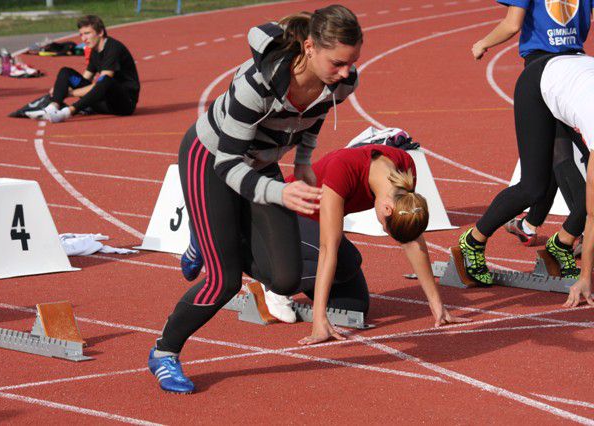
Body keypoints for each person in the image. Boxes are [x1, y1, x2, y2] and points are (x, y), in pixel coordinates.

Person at [148, 5, 362, 394]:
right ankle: (165, 352)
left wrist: (303, 161)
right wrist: (282, 191)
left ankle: (213, 238)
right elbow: (228, 165)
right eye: (339, 63)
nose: (346, 72)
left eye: (352, 63)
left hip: (260, 162)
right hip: (211, 157)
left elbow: (310, 120)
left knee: (284, 279)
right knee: (223, 280)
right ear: (310, 47)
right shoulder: (257, 83)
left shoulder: (342, 83)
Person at [290, 143, 468, 344]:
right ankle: (273, 283)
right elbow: (328, 247)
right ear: (387, 208)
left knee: (353, 305)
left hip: (314, 223)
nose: (383, 228)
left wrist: (437, 305)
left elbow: (412, 240)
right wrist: (319, 320)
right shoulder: (343, 169)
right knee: (320, 260)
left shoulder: (405, 172)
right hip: (283, 215)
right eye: (386, 227)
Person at [457, 51, 594, 308]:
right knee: (534, 188)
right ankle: (474, 240)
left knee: (585, 191)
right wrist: (586, 277)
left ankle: (561, 244)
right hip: (539, 85)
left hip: (572, 84)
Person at [470, 0, 592, 254]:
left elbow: (512, 24)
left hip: (541, 74)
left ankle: (548, 230)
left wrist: (483, 43)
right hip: (574, 69)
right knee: (558, 157)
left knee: (552, 163)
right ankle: (547, 229)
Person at [27, 15, 140, 123]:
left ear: (100, 32)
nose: (83, 39)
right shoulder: (94, 50)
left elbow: (103, 84)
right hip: (104, 102)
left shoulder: (113, 48)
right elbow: (85, 78)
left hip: (123, 104)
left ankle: (66, 113)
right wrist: (60, 90)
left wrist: (70, 93)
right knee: (66, 72)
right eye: (81, 35)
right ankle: (52, 108)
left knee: (105, 79)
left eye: (87, 33)